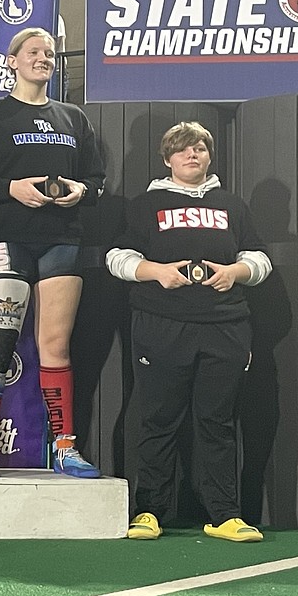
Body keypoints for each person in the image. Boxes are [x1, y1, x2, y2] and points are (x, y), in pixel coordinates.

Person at [0, 27, 105, 478]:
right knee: (1, 340)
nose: (43, 59)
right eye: (33, 52)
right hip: (7, 238)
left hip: (63, 240)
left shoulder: (73, 118)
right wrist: (10, 188)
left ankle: (65, 447)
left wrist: (79, 190)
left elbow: (97, 181)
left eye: (50, 54)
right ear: (12, 60)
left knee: (56, 344)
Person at [106, 122, 270, 542]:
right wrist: (156, 272)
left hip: (225, 326)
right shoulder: (145, 204)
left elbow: (259, 258)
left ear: (209, 156)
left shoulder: (232, 205)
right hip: (161, 324)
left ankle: (224, 514)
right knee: (158, 419)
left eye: (199, 148)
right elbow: (117, 256)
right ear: (168, 159)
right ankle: (148, 511)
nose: (191, 155)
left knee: (217, 422)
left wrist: (237, 271)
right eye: (182, 150)